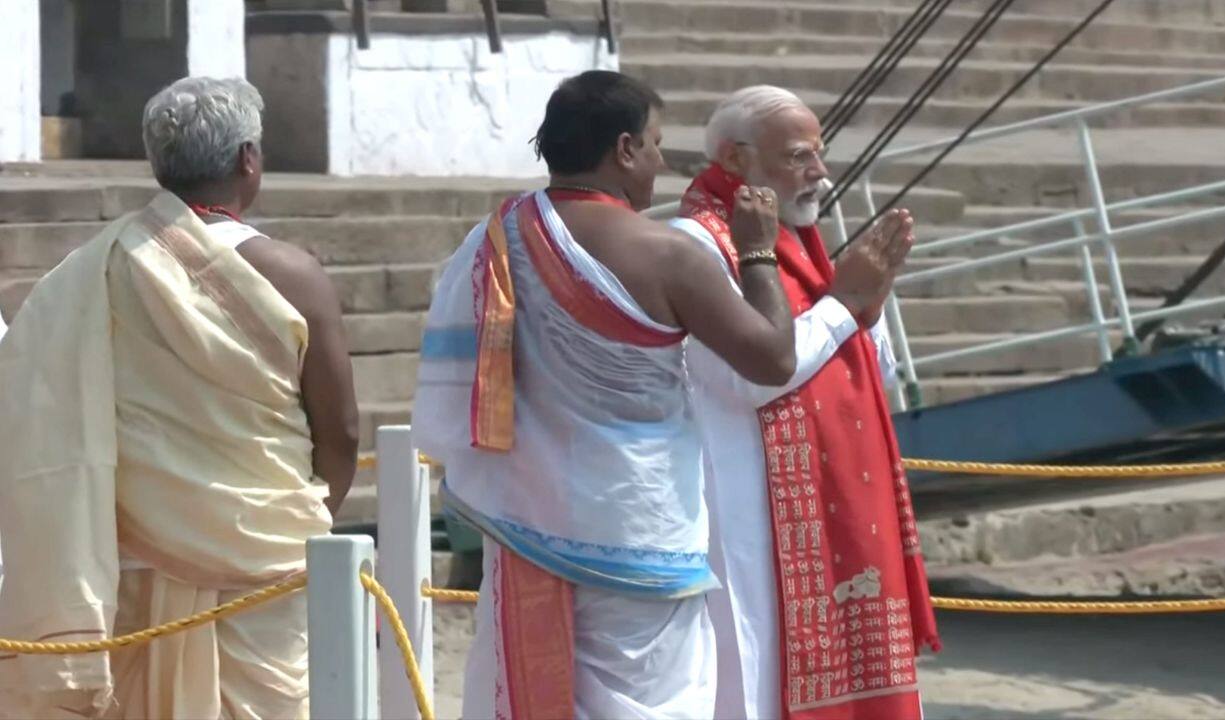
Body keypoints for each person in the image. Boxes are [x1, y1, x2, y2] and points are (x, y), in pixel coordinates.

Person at [412, 70, 802, 718]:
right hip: (640, 528)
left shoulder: (492, 238)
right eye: (652, 144)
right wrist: (758, 250)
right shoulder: (666, 254)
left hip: (526, 520)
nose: (658, 160)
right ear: (623, 149)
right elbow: (773, 357)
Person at [0, 76, 358, 719]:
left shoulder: (95, 268)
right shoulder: (293, 274)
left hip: (132, 565)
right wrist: (289, 523)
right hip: (265, 566)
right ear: (249, 158)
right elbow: (343, 434)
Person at [673, 85, 941, 719]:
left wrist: (866, 306)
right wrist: (845, 304)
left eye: (819, 155)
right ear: (735, 160)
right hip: (752, 518)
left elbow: (875, 378)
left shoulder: (805, 242)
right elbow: (752, 376)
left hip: (842, 503)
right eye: (798, 157)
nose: (819, 172)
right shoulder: (699, 242)